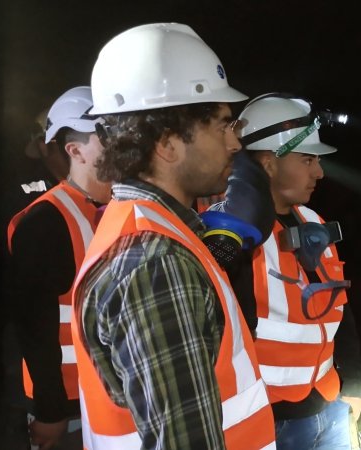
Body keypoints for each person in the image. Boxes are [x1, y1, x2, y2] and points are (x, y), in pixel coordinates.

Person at [71, 23, 275, 449]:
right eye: (222, 126)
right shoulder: (155, 263)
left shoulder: (148, 227)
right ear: (167, 143)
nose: (235, 143)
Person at [217, 93, 361, 450]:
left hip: (329, 404)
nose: (319, 172)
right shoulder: (230, 236)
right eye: (307, 159)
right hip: (269, 419)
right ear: (267, 163)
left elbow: (339, 308)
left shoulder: (314, 222)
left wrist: (356, 382)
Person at [6, 86, 109, 450]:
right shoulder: (45, 221)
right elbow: (35, 325)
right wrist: (51, 412)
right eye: (107, 136)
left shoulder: (124, 207)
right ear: (74, 149)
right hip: (69, 405)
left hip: (117, 397)